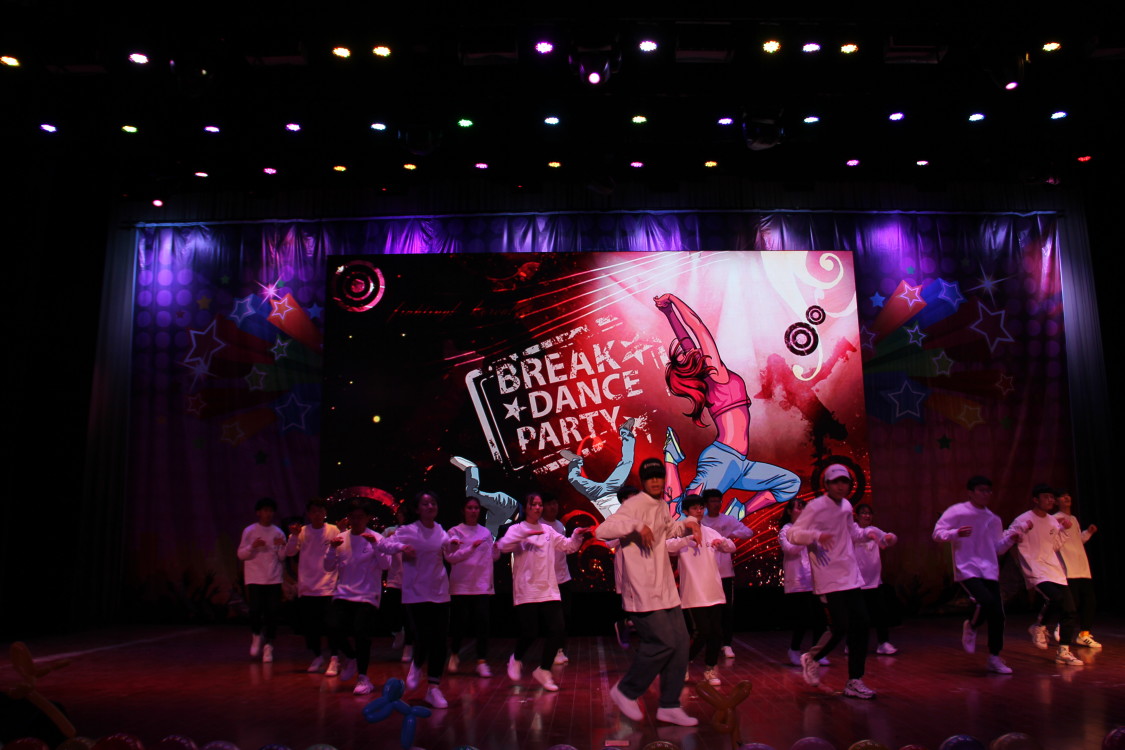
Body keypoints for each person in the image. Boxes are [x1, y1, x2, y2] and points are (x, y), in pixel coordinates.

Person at [654, 292, 800, 519]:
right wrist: (673, 299)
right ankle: (671, 459)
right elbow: (696, 326)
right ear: (691, 365)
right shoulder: (715, 373)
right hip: (721, 461)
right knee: (681, 515)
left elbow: (685, 338)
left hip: (739, 464)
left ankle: (739, 512)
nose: (689, 349)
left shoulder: (709, 378)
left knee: (790, 483)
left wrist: (669, 313)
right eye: (687, 354)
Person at [595, 456, 702, 727]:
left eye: (658, 476)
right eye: (649, 477)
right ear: (643, 481)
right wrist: (634, 525)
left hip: (665, 589)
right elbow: (602, 531)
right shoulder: (633, 505)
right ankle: (626, 691)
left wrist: (688, 525)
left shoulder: (661, 505)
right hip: (642, 591)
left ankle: (669, 705)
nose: (655, 481)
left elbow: (667, 530)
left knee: (680, 644)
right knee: (662, 643)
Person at [786, 464, 888, 700]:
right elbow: (794, 534)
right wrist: (816, 535)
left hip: (850, 574)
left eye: (845, 482)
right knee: (841, 625)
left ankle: (855, 680)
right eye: (836, 482)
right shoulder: (816, 507)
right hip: (828, 576)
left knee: (862, 623)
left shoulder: (846, 506)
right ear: (827, 485)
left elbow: (852, 532)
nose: (841, 486)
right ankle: (812, 657)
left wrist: (872, 534)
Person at [496, 493, 590, 691]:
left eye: (540, 505)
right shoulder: (516, 529)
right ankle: (516, 658)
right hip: (526, 589)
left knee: (557, 629)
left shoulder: (547, 530)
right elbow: (503, 546)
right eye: (534, 505)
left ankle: (544, 670)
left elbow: (568, 546)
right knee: (530, 632)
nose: (538, 508)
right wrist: (523, 534)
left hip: (548, 588)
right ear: (526, 508)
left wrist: (576, 535)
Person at [932, 475, 1023, 674]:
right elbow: (937, 533)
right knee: (985, 601)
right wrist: (955, 533)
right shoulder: (957, 511)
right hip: (967, 568)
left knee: (997, 614)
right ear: (970, 492)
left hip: (989, 569)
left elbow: (998, 548)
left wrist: (1011, 540)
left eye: (988, 491)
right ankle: (972, 625)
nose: (985, 494)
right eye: (981, 490)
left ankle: (994, 657)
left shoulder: (993, 519)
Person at [379, 491, 460, 708]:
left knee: (440, 640)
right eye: (425, 504)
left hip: (439, 591)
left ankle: (433, 688)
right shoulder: (407, 530)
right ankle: (416, 663)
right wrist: (401, 547)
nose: (430, 506)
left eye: (433, 503)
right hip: (416, 593)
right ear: (417, 509)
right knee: (423, 637)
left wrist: (454, 544)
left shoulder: (440, 530)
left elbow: (448, 547)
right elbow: (383, 545)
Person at [1009, 484, 1083, 666]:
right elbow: (1008, 537)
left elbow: (1054, 546)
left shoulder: (1052, 521)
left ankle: (1063, 651)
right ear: (1036, 499)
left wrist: (1064, 531)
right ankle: (1039, 626)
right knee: (1055, 597)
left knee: (1070, 610)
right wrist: (1018, 533)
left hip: (1054, 569)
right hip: (1035, 569)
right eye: (1046, 497)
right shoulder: (1023, 519)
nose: (1051, 500)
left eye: (1052, 497)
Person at [324, 498, 391, 695]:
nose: (356, 521)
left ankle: (363, 677)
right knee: (332, 626)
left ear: (368, 518)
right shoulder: (341, 538)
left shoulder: (376, 538)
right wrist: (331, 549)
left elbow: (386, 565)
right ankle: (351, 657)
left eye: (360, 517)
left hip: (367, 595)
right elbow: (327, 567)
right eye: (352, 517)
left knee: (362, 633)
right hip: (343, 593)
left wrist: (376, 546)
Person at [667, 494, 735, 686]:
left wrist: (722, 544)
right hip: (693, 592)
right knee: (702, 631)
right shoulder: (679, 532)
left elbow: (731, 547)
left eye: (701, 508)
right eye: (694, 508)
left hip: (713, 590)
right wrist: (688, 538)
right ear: (685, 512)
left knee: (716, 633)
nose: (699, 511)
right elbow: (666, 547)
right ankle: (682, 663)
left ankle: (710, 669)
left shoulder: (710, 532)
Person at [446, 497, 500, 677]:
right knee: (459, 624)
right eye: (469, 507)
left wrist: (496, 550)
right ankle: (454, 655)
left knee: (482, 624)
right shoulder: (454, 531)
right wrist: (470, 548)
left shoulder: (485, 532)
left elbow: (491, 558)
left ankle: (481, 661)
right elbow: (450, 558)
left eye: (476, 508)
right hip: (461, 586)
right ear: (463, 510)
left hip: (481, 586)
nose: (473, 511)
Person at [284, 498, 340, 672]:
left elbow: (341, 549)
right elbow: (289, 552)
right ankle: (317, 657)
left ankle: (334, 658)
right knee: (310, 627)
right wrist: (294, 536)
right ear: (308, 514)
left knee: (332, 625)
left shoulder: (333, 530)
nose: (317, 515)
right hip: (307, 587)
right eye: (313, 511)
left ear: (325, 513)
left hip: (328, 586)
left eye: (320, 511)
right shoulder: (302, 531)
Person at [699, 488, 754, 658]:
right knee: (708, 610)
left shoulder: (727, 520)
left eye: (718, 501)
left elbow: (748, 532)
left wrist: (731, 534)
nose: (716, 504)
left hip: (725, 573)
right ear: (705, 504)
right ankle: (709, 642)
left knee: (727, 610)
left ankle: (727, 644)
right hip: (706, 573)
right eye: (712, 501)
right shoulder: (701, 521)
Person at [779, 498, 829, 667]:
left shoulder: (812, 529)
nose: (802, 512)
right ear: (789, 511)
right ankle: (794, 649)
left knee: (820, 618)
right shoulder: (786, 530)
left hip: (815, 579)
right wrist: (806, 538)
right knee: (801, 618)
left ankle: (817, 653)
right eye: (798, 508)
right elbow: (789, 549)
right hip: (798, 581)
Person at [236, 497, 287, 663]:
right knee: (255, 610)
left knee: (272, 613)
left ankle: (269, 645)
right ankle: (256, 636)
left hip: (273, 578)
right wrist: (253, 546)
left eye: (271, 511)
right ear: (258, 512)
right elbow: (241, 555)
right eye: (265, 510)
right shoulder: (249, 531)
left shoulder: (278, 532)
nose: (268, 514)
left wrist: (282, 545)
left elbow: (282, 557)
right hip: (255, 578)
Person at [1053, 490, 1101, 649]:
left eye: (1068, 495)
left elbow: (1077, 540)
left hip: (1082, 567)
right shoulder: (1054, 519)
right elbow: (1054, 542)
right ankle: (1061, 626)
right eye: (1062, 496)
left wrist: (1088, 532)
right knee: (1072, 603)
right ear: (1056, 501)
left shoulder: (1073, 519)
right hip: (1068, 567)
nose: (1067, 498)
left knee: (1089, 601)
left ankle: (1084, 634)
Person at [562, 418, 637, 519]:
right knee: (627, 462)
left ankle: (576, 461)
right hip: (613, 488)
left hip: (597, 495)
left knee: (573, 478)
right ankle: (625, 431)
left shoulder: (615, 526)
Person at [852, 503, 899, 655]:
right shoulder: (853, 529)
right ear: (857, 516)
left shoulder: (874, 529)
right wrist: (873, 536)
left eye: (869, 513)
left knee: (880, 614)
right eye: (863, 513)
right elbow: (863, 534)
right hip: (857, 582)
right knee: (858, 617)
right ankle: (852, 644)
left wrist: (890, 537)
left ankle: (883, 643)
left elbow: (890, 538)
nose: (867, 515)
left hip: (874, 582)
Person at [449, 456, 523, 537]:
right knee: (472, 495)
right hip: (506, 508)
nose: (473, 512)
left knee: (472, 495)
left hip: (505, 509)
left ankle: (471, 468)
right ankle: (471, 468)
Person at [542, 494, 574, 665]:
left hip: (563, 578)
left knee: (565, 616)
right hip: (546, 581)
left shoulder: (560, 525)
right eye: (549, 504)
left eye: (555, 503)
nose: (553, 507)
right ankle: (553, 650)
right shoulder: (538, 526)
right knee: (552, 620)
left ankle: (560, 649)